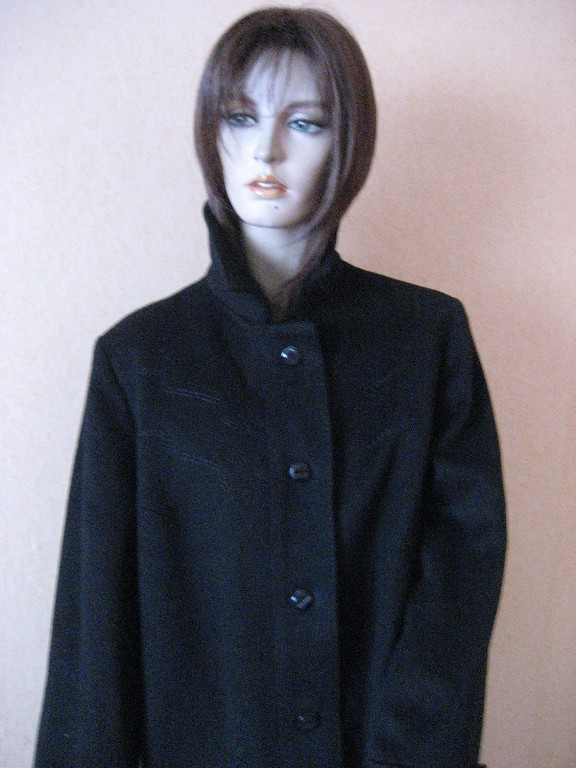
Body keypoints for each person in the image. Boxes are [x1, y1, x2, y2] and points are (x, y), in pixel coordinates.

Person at [35, 7, 506, 768]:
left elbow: (460, 585)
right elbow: (95, 624)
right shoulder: (141, 360)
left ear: (349, 141)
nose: (267, 150)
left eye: (307, 123)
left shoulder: (427, 339)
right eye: (241, 117)